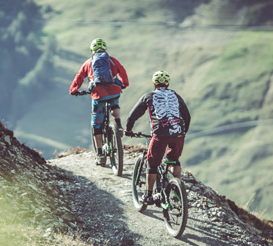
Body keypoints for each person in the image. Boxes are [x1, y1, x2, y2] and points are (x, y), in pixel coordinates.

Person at [125, 70, 191, 205]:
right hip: (178, 133)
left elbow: (133, 115)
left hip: (160, 134)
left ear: (154, 83)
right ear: (168, 83)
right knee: (174, 160)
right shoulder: (175, 96)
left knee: (152, 164)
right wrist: (183, 132)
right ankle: (177, 189)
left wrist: (129, 130)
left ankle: (148, 195)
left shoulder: (149, 96)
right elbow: (187, 116)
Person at [70, 38, 129, 166]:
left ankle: (101, 155)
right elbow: (122, 71)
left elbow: (79, 77)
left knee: (96, 125)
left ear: (92, 50)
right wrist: (124, 84)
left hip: (98, 95)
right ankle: (118, 125)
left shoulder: (88, 63)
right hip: (114, 91)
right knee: (115, 103)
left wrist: (74, 90)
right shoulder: (112, 60)